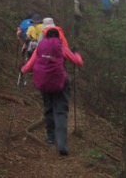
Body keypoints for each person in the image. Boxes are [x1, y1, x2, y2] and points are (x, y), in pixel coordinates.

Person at [21, 27, 84, 156]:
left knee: (48, 108)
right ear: (58, 37)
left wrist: (22, 70)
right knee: (60, 111)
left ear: (46, 37)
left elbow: (30, 65)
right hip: (59, 84)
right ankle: (61, 143)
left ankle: (50, 137)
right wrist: (76, 52)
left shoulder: (40, 47)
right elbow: (79, 62)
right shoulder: (61, 47)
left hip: (43, 83)